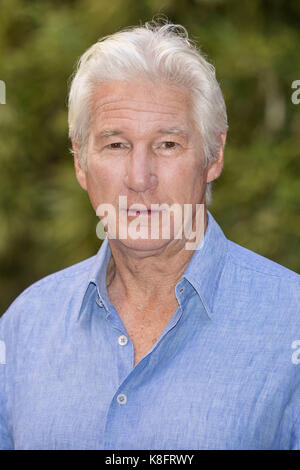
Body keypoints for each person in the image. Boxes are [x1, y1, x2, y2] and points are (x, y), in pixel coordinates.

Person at [0, 20, 299, 451]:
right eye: (116, 145)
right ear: (81, 163)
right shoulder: (24, 328)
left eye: (167, 145)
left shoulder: (291, 321)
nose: (140, 178)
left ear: (214, 156)